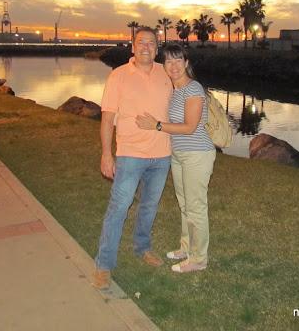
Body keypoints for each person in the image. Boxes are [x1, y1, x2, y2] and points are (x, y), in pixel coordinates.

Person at [92, 27, 173, 290]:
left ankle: (142, 248)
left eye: (152, 43)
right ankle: (104, 265)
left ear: (157, 48)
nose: (146, 47)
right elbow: (107, 119)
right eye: (141, 42)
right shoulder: (118, 76)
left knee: (149, 207)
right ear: (133, 47)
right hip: (130, 155)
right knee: (119, 209)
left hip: (161, 155)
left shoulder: (167, 73)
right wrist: (107, 153)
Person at [136, 43, 216, 273]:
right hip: (179, 154)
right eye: (168, 61)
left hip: (197, 154)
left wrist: (157, 126)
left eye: (178, 60)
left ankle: (199, 259)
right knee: (184, 205)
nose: (173, 66)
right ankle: (186, 247)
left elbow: (190, 127)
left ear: (186, 63)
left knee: (196, 207)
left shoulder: (193, 89)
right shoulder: (174, 91)